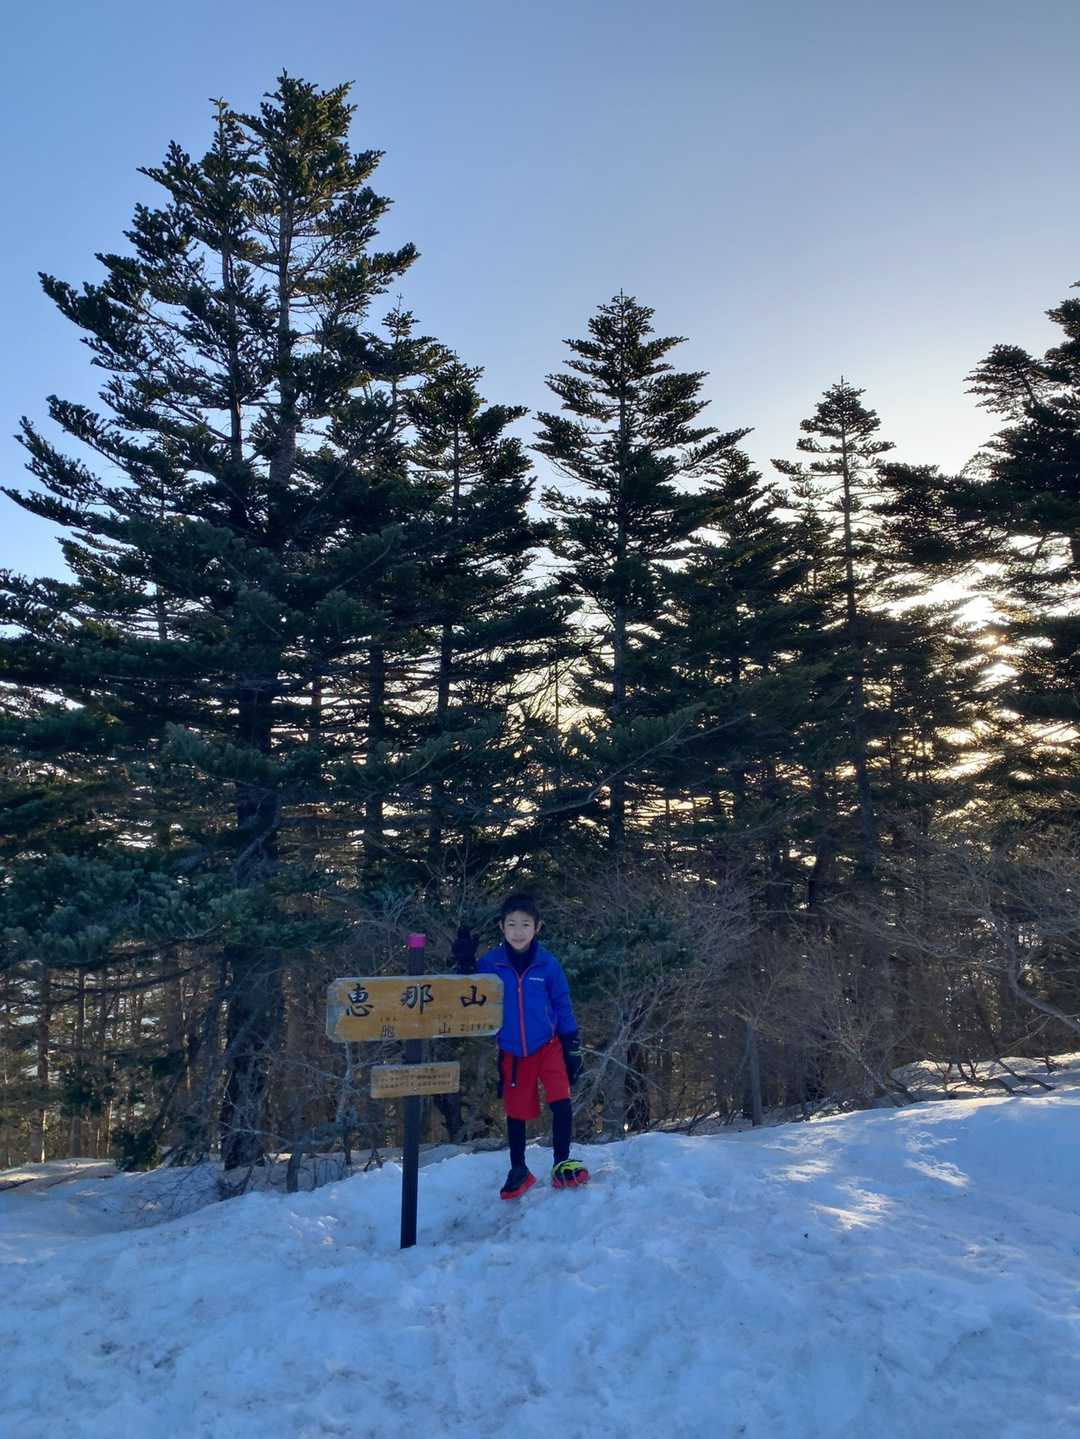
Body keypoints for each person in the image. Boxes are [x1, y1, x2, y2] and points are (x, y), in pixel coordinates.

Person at [452, 894, 589, 1199]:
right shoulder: (492, 963)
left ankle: (561, 1161)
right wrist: (465, 964)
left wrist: (572, 1044)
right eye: (511, 924)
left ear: (537, 927)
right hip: (513, 1051)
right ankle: (519, 1168)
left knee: (561, 1099)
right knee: (516, 1110)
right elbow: (470, 993)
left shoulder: (547, 964)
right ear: (501, 927)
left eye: (525, 924)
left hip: (549, 1045)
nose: (518, 931)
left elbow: (562, 1003)